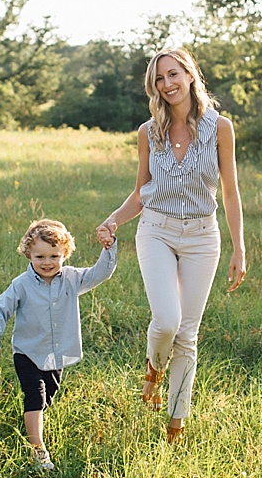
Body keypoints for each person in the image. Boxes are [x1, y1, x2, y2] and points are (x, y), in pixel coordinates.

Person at [96, 47, 246, 443]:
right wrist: (113, 219)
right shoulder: (149, 131)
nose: (167, 84)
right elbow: (141, 193)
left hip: (202, 236)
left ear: (190, 75)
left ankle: (175, 424)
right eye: (159, 79)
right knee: (167, 321)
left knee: (188, 334)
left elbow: (230, 192)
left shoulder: (220, 127)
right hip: (156, 230)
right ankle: (154, 368)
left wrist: (239, 247)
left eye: (173, 74)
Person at [0, 219, 117, 470]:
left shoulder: (73, 278)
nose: (47, 262)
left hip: (56, 354)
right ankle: (38, 450)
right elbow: (0, 309)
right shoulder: (21, 284)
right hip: (28, 352)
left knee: (47, 398)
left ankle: (30, 422)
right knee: (35, 396)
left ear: (65, 253)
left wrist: (109, 248)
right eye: (39, 256)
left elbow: (100, 273)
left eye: (54, 256)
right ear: (28, 254)